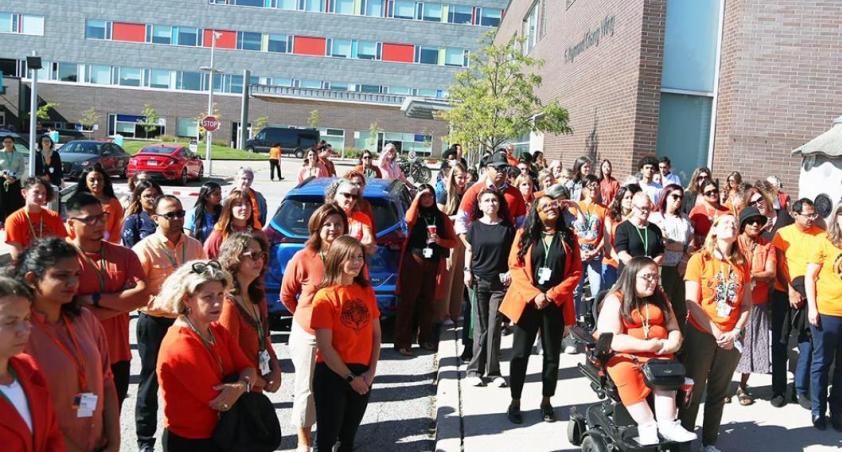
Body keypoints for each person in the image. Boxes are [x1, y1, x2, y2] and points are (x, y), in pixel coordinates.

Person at [18, 238, 121, 452]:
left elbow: (107, 382)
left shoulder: (85, 320)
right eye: (61, 276)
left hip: (98, 444)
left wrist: (114, 442)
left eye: (76, 275)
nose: (73, 283)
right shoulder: (20, 333)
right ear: (31, 279)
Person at [156, 260, 258, 451]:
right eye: (208, 297)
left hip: (223, 433)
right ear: (187, 299)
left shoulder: (216, 329)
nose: (218, 303)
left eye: (220, 294)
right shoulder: (180, 343)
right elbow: (219, 399)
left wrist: (240, 386)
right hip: (190, 440)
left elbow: (250, 368)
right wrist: (244, 385)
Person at [131, 195, 206, 452]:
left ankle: (185, 434)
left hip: (186, 324)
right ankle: (145, 441)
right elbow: (137, 294)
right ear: (155, 218)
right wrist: (169, 305)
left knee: (190, 379)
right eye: (170, 215)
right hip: (155, 322)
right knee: (151, 380)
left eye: (180, 214)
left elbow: (204, 281)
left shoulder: (195, 246)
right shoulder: (144, 249)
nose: (177, 219)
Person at [500, 195, 582, 424]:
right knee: (519, 354)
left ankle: (547, 401)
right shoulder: (524, 235)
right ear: (536, 212)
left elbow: (575, 272)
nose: (551, 208)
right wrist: (534, 295)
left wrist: (552, 295)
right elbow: (515, 267)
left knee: (552, 355)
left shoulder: (569, 237)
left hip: (555, 303)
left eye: (553, 204)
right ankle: (515, 401)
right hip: (528, 303)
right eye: (545, 206)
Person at [598, 257, 696, 445]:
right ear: (632, 277)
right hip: (626, 354)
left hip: (660, 352)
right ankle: (647, 424)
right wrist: (647, 346)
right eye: (647, 277)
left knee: (667, 368)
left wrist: (673, 342)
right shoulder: (616, 299)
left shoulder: (660, 297)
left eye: (655, 276)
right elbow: (613, 339)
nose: (653, 281)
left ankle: (668, 424)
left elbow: (674, 328)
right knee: (623, 370)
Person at [65, 192, 148, 406]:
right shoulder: (62, 259)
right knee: (83, 421)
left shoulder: (125, 255)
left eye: (101, 217)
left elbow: (142, 296)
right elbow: (69, 310)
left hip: (118, 357)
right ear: (71, 224)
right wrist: (123, 304)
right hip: (79, 358)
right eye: (89, 219)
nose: (99, 223)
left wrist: (92, 298)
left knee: (112, 419)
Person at [679, 214, 751, 452]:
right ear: (714, 230)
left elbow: (747, 305)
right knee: (693, 388)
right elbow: (691, 301)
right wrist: (716, 330)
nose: (732, 225)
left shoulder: (741, 264)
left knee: (719, 392)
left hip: (730, 336)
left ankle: (709, 442)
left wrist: (736, 331)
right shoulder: (699, 259)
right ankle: (684, 439)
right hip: (702, 332)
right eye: (726, 222)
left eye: (735, 223)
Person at [281, 204, 347, 451]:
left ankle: (331, 436)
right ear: (317, 228)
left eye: (337, 224)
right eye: (327, 224)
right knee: (307, 390)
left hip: (340, 334)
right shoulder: (303, 257)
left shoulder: (349, 255)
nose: (332, 229)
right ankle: (304, 442)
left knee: (334, 388)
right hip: (308, 335)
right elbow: (287, 295)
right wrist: (307, 318)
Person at [310, 236, 381, 452]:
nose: (358, 262)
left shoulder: (367, 291)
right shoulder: (325, 296)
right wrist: (350, 378)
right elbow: (325, 347)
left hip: (363, 373)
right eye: (351, 258)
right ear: (338, 259)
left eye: (360, 257)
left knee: (347, 438)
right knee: (326, 438)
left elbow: (376, 335)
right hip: (333, 374)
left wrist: (370, 372)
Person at [0, 275, 66, 452]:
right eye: (10, 322)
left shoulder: (28, 367)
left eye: (26, 319)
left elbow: (52, 435)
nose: (24, 330)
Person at [769, 198, 824, 408]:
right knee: (780, 342)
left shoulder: (821, 235)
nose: (812, 218)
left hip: (810, 294)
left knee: (807, 342)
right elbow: (779, 264)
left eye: (814, 215)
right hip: (785, 292)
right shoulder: (783, 234)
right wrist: (791, 290)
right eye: (808, 214)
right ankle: (779, 390)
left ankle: (800, 390)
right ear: (795, 214)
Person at [396, 185, 458, 356]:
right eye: (423, 196)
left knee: (428, 302)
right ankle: (402, 342)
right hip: (413, 261)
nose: (427, 199)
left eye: (429, 195)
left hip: (433, 263)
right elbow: (408, 220)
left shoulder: (441, 217)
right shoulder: (415, 214)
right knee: (408, 301)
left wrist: (440, 242)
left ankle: (425, 339)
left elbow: (453, 242)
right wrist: (416, 199)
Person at [218, 232, 282, 394]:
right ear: (234, 258)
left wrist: (275, 368)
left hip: (256, 385)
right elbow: (229, 357)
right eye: (253, 255)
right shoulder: (228, 304)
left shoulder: (257, 296)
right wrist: (260, 381)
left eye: (261, 255)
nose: (259, 260)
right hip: (240, 389)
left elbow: (265, 338)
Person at [463, 188, 515, 386]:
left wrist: (510, 271)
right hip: (478, 282)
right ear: (480, 205)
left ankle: (493, 373)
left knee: (494, 327)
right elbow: (469, 250)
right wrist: (467, 271)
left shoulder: (507, 228)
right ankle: (474, 371)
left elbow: (513, 254)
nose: (491, 204)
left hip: (499, 284)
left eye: (494, 200)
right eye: (487, 200)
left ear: (499, 204)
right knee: (480, 328)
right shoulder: (474, 227)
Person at [730, 206, 775, 407]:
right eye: (751, 221)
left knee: (749, 345)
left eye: (759, 221)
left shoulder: (767, 246)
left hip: (757, 303)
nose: (756, 224)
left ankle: (743, 386)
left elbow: (771, 273)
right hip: (731, 302)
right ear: (743, 225)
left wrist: (749, 276)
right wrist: (754, 275)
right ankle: (721, 386)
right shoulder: (733, 243)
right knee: (727, 345)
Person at [805, 202, 842, 430]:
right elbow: (810, 276)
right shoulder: (824, 241)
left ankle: (836, 410)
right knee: (822, 362)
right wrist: (812, 307)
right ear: (837, 217)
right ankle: (818, 411)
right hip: (827, 312)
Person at [648, 184, 695, 329]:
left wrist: (685, 257)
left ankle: (678, 342)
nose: (678, 200)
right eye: (674, 196)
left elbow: (692, 242)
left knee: (680, 306)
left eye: (681, 197)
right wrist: (681, 246)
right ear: (665, 196)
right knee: (663, 304)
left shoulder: (685, 219)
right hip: (663, 266)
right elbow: (662, 242)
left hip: (681, 267)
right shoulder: (656, 218)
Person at [436, 162, 469, 324]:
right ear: (453, 178)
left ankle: (455, 312)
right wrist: (458, 218)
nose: (462, 181)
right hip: (449, 238)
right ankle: (444, 313)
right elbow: (440, 218)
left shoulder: (466, 194)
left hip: (463, 239)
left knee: (459, 276)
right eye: (459, 177)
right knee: (448, 276)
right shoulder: (445, 195)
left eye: (464, 177)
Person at [571, 175, 607, 323]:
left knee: (597, 289)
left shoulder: (603, 209)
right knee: (576, 290)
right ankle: (573, 321)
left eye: (596, 186)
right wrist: (579, 251)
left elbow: (606, 234)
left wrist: (595, 251)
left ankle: (593, 321)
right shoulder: (575, 207)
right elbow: (570, 232)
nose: (593, 189)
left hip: (595, 256)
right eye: (589, 186)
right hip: (578, 254)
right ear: (584, 188)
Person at [4, 177, 67, 261]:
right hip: (27, 268)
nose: (40, 196)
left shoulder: (54, 217)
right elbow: (17, 256)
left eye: (44, 193)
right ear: (24, 193)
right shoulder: (13, 220)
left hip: (52, 266)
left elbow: (62, 246)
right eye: (36, 192)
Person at [203, 189, 264, 259]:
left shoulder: (259, 234)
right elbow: (207, 259)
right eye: (239, 204)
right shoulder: (219, 235)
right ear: (230, 208)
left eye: (247, 204)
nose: (244, 208)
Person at [72, 165, 124, 243]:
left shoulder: (114, 203)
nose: (96, 183)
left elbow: (118, 229)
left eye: (99, 180)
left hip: (107, 248)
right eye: (92, 180)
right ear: (86, 183)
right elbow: (73, 227)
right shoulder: (78, 202)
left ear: (104, 182)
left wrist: (109, 248)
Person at [614, 192, 665, 271]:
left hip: (649, 274)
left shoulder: (655, 229)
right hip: (629, 273)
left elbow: (661, 252)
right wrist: (639, 268)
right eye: (642, 208)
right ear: (633, 207)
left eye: (648, 208)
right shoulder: (623, 228)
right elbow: (622, 253)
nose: (646, 211)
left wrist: (651, 266)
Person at [603, 184, 640, 289]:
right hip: (612, 261)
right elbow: (607, 243)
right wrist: (619, 260)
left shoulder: (637, 218)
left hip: (630, 263)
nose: (629, 200)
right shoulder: (611, 217)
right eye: (626, 197)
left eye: (632, 197)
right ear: (620, 200)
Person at [331, 179, 376, 255]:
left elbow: (369, 243)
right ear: (335, 196)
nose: (351, 199)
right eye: (347, 195)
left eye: (354, 197)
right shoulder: (327, 216)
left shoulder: (362, 218)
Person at [121, 180, 163, 248]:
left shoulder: (169, 216)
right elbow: (130, 250)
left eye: (155, 195)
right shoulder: (133, 221)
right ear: (139, 198)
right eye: (147, 196)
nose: (152, 199)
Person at [689, 180, 730, 244]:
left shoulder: (727, 212)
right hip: (699, 251)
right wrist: (705, 239)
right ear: (703, 194)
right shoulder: (696, 211)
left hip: (720, 250)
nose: (712, 194)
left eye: (715, 191)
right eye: (708, 192)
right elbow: (689, 234)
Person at [0, 135, 25, 224]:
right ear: (3, 143)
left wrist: (15, 178)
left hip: (15, 181)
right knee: (2, 200)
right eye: (5, 142)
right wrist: (4, 175)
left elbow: (21, 169)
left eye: (9, 142)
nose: (7, 144)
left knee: (14, 201)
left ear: (13, 143)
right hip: (2, 180)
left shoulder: (19, 154)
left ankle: (12, 220)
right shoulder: (0, 153)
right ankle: (2, 221)